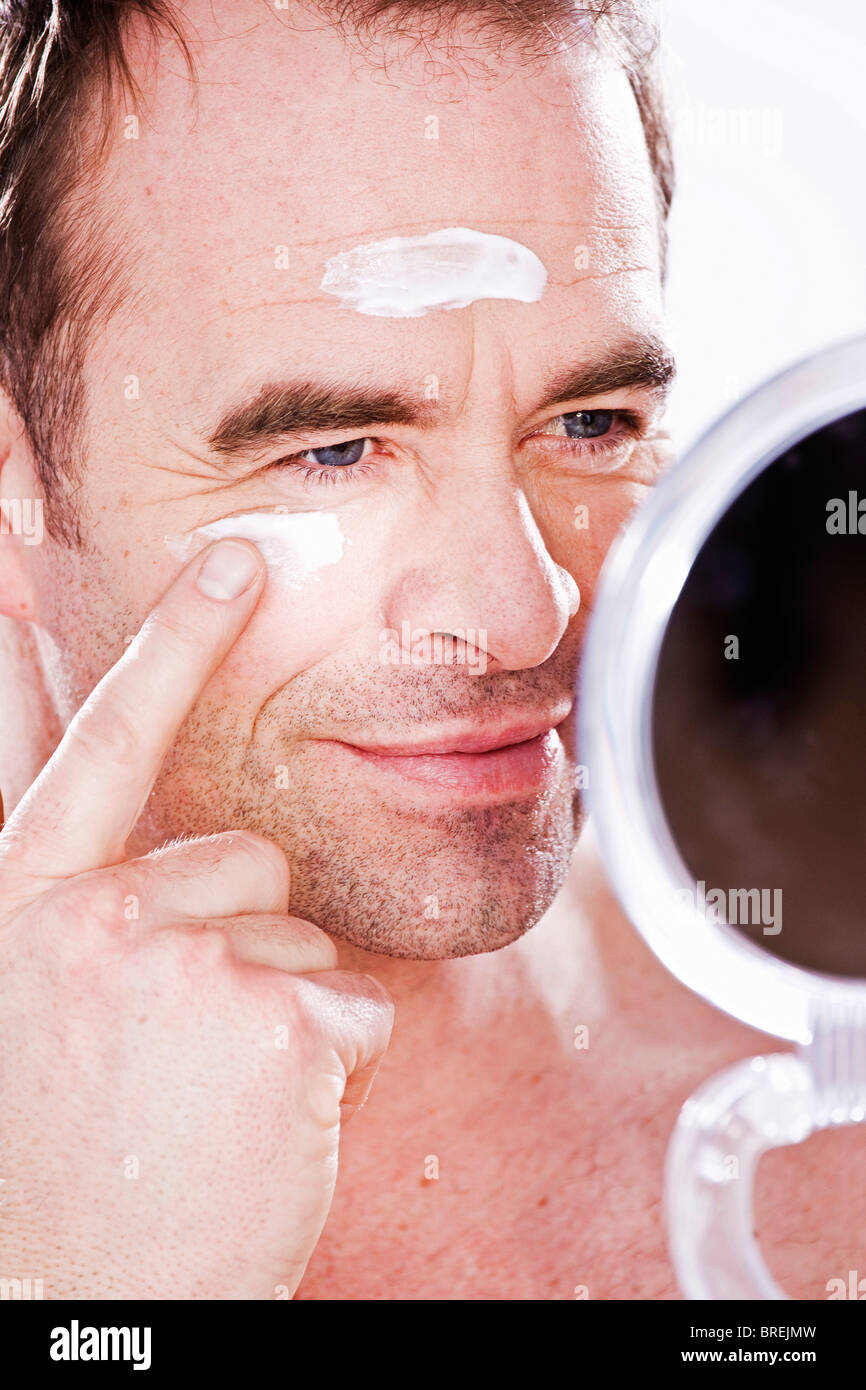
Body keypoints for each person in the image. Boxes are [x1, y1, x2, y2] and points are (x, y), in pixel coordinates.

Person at [0, 0, 850, 1301]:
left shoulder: (811, 1053)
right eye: (332, 449)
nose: (526, 612)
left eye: (588, 419)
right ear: (17, 470)